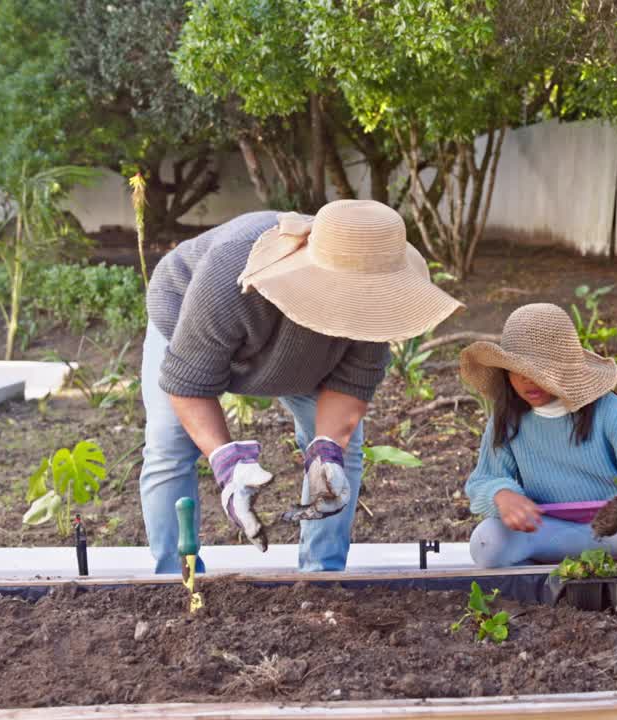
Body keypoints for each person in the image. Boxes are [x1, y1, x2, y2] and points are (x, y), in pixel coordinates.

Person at [141, 199, 462, 573]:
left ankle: (321, 574)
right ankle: (176, 575)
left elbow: (350, 386)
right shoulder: (228, 274)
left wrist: (326, 452)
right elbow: (188, 383)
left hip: (307, 361)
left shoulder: (376, 304)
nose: (355, 303)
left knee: (340, 459)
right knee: (168, 446)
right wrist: (228, 465)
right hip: (190, 322)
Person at [459, 303, 617, 567]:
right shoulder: (507, 419)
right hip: (545, 532)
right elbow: (483, 480)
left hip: (614, 532)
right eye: (518, 370)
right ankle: (539, 588)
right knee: (487, 541)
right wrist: (502, 495)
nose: (527, 381)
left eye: (539, 372)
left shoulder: (608, 410)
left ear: (569, 370)